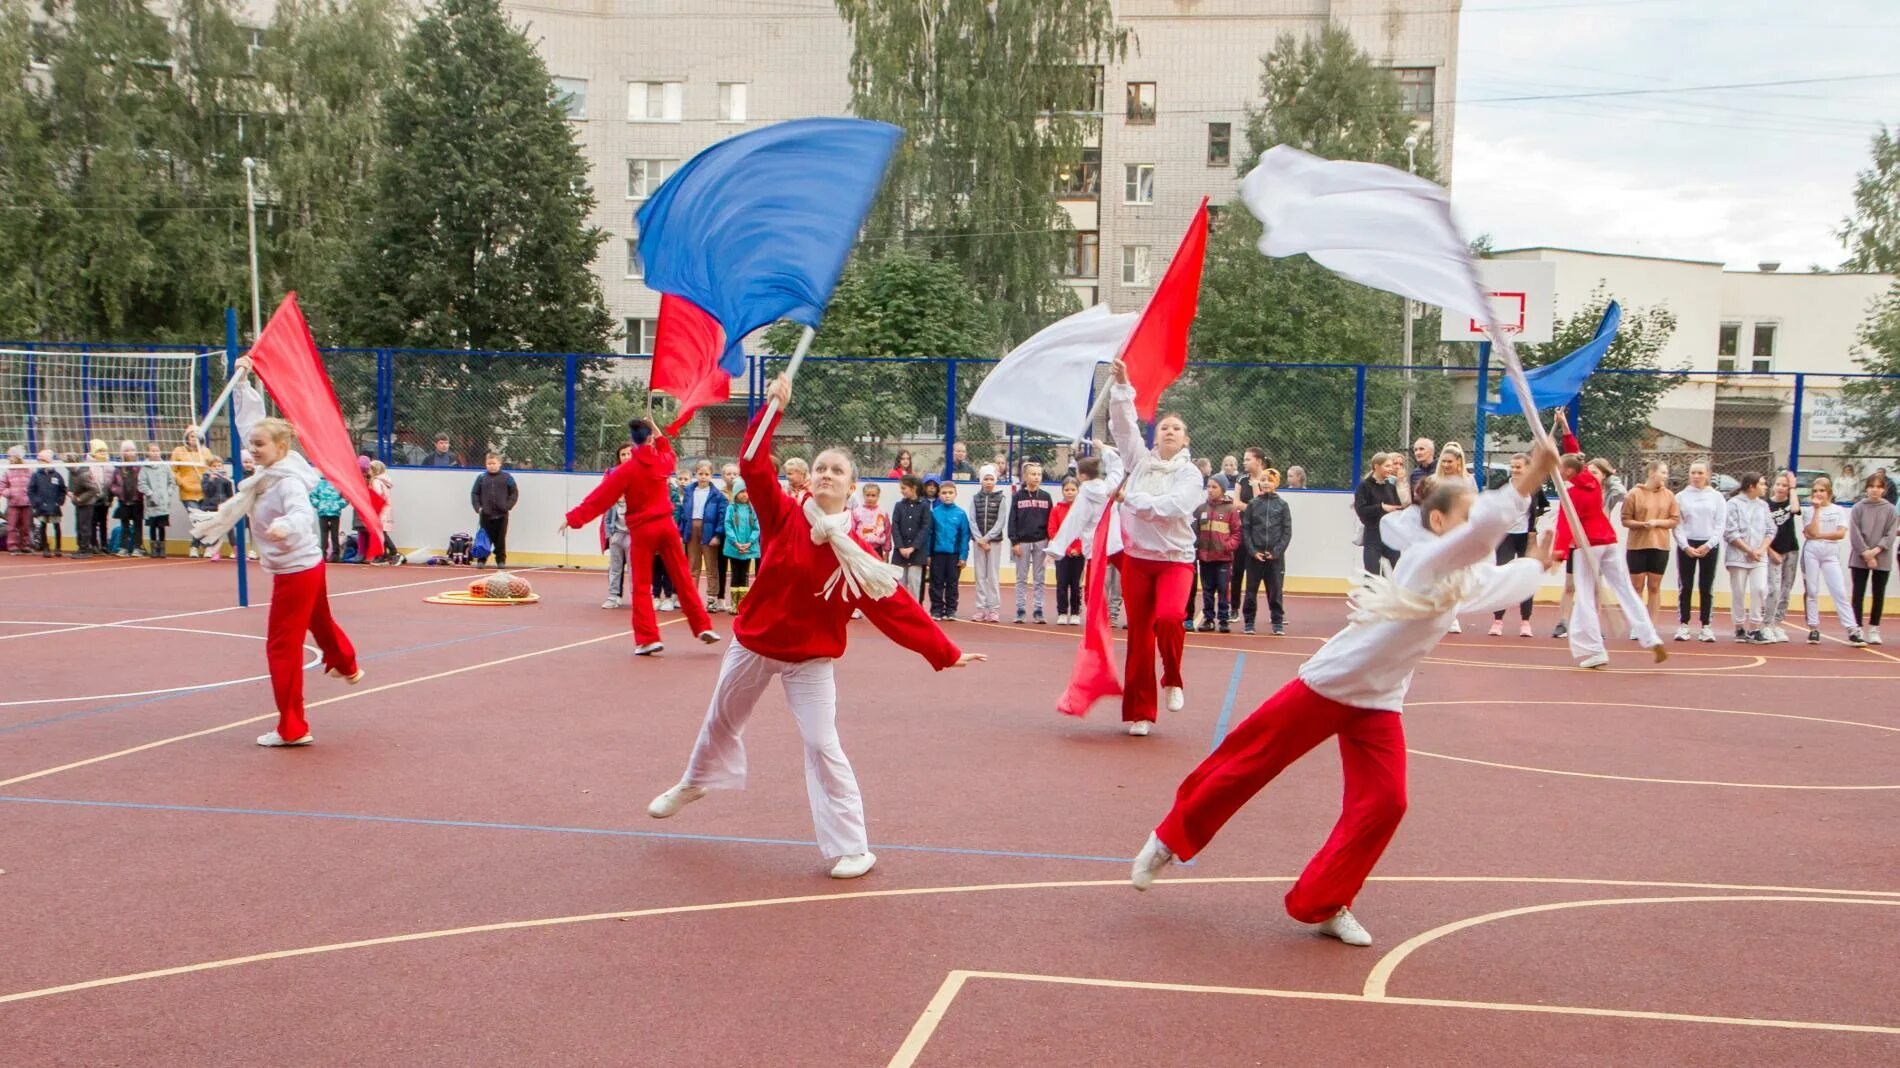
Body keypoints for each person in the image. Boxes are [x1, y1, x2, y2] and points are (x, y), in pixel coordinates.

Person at [1131, 438, 1564, 946]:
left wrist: (1533, 565)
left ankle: (1324, 900)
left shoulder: (1458, 573)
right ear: (1442, 522)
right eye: (1467, 512)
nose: (1475, 524)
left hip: (1379, 699)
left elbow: (1492, 583)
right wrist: (1528, 480)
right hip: (1331, 682)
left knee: (1386, 802)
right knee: (1246, 762)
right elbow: (1482, 537)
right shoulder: (1428, 560)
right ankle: (1167, 839)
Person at [644, 373, 985, 880]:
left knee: (823, 744)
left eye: (837, 470)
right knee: (721, 720)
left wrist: (945, 651)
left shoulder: (860, 554)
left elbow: (897, 608)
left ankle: (854, 847)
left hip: (811, 660)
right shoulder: (784, 514)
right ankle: (694, 781)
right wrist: (772, 408)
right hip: (754, 645)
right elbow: (753, 465)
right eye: (820, 467)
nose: (826, 473)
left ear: (851, 486)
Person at [191, 357, 364, 747]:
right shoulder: (266, 474)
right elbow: (248, 421)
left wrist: (285, 527)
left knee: (281, 647)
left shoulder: (286, 481)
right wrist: (241, 381)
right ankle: (347, 662)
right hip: (306, 567)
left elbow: (303, 512)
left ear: (281, 447)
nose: (251, 450)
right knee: (319, 623)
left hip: (296, 570)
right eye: (251, 444)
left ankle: (292, 727)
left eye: (259, 445)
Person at [561, 419, 721, 655]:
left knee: (641, 585)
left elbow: (600, 498)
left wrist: (574, 518)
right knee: (683, 577)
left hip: (642, 530)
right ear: (649, 438)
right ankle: (702, 627)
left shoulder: (625, 470)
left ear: (633, 441)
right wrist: (657, 429)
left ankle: (648, 638)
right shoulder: (661, 462)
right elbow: (668, 451)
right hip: (667, 525)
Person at [1104, 360, 1204, 735]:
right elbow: (1124, 427)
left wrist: (1131, 498)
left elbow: (1172, 509)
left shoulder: (1191, 474)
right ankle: (1141, 713)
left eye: (1177, 429)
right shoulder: (1141, 461)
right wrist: (1122, 386)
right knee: (1139, 637)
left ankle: (1173, 678)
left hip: (1175, 562)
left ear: (1186, 439)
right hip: (1137, 561)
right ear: (1157, 434)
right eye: (1164, 427)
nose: (1170, 432)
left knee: (1169, 618)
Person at [1551, 413, 1663, 668]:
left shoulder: (1572, 493)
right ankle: (1650, 635)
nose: (1557, 471)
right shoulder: (1591, 481)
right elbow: (1575, 454)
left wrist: (1559, 553)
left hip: (1588, 546)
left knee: (1586, 599)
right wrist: (1566, 429)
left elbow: (1565, 525)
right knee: (1624, 589)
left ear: (1568, 471)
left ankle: (1594, 650)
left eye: (1560, 469)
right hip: (1609, 542)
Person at [1049, 448, 1127, 628]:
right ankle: (1143, 616)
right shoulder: (1110, 486)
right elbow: (1117, 467)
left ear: (1082, 476)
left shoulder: (1084, 498)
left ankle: (1096, 621)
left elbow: (1071, 524)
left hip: (1096, 549)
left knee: (1092, 589)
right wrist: (1104, 449)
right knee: (1132, 581)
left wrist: (1056, 548)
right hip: (1116, 545)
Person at [1486, 452, 1551, 638]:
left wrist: (1532, 525)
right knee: (1502, 577)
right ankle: (1497, 620)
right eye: (1512, 467)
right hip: (1505, 537)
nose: (1514, 470)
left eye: (1518, 467)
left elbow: (1541, 507)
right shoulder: (1503, 486)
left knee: (1528, 576)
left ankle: (1525, 621)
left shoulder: (1534, 487)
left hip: (1526, 538)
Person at [1619, 460, 1678, 632]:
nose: (1665, 476)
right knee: (1637, 586)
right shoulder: (1634, 494)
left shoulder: (1669, 496)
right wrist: (1641, 524)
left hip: (1660, 545)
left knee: (1654, 586)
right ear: (1652, 473)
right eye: (1663, 472)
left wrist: (1658, 522)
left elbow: (1674, 520)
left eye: (1666, 473)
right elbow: (1625, 520)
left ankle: (1651, 625)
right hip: (1637, 545)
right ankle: (1637, 624)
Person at [1674, 461, 1726, 642]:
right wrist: (1685, 546)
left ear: (1708, 475)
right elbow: (1677, 524)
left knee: (1706, 586)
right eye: (1693, 473)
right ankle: (1683, 624)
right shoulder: (1680, 496)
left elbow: (1720, 524)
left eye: (1700, 473)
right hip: (1687, 545)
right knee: (1685, 585)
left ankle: (1706, 626)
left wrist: (1709, 544)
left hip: (1709, 545)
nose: (1696, 476)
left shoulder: (1717, 497)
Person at [1801, 477, 1856, 645]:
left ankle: (1852, 628)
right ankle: (1813, 627)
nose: (1818, 494)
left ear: (1829, 493)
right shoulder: (1809, 511)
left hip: (1830, 552)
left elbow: (1840, 533)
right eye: (1815, 491)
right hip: (1812, 551)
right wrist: (1817, 510)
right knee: (1812, 589)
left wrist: (1822, 536)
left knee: (1838, 590)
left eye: (1822, 491)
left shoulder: (1838, 510)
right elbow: (1810, 532)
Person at [1722, 472, 1774, 644]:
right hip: (1738, 557)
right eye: (1762, 484)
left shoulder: (1763, 506)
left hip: (1759, 557)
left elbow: (1770, 530)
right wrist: (1748, 550)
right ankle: (1739, 627)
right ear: (1752, 486)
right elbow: (1730, 532)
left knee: (1760, 589)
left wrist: (1760, 549)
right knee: (1738, 591)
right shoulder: (1733, 504)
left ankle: (1755, 627)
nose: (1765, 487)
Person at [1847, 472, 1897, 646]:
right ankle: (1857, 627)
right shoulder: (1858, 508)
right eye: (1871, 486)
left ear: (1884, 489)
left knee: (1878, 593)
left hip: (1882, 557)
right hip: (1860, 557)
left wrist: (1876, 550)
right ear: (1866, 488)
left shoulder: (1890, 509)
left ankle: (1874, 627)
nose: (1874, 490)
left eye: (1878, 487)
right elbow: (1854, 533)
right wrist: (1866, 553)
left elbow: (1890, 534)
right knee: (1858, 593)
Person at [1240, 468, 1291, 636]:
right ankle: (1249, 622)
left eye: (1270, 480)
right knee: (1251, 590)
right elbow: (1246, 529)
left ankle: (1277, 622)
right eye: (1263, 480)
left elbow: (1286, 531)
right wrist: (1253, 551)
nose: (1266, 483)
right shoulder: (1254, 504)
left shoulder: (1282, 505)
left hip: (1274, 557)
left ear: (1276, 482)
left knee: (1275, 590)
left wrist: (1276, 552)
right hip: (1255, 556)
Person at [675, 460, 729, 611]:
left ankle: (712, 598)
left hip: (708, 532)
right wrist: (681, 532)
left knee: (711, 566)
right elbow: (683, 514)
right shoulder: (689, 492)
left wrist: (717, 535)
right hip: (691, 530)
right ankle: (691, 599)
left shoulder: (717, 495)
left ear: (711, 475)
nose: (703, 477)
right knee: (693, 566)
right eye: (700, 474)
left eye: (706, 474)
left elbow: (721, 516)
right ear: (695, 474)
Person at [1192, 478, 1242, 633]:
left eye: (1214, 487)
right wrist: (1198, 547)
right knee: (1207, 590)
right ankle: (1208, 619)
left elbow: (1237, 533)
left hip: (1223, 559)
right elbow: (1195, 531)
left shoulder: (1230, 510)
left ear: (1223, 489)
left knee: (1222, 588)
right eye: (1208, 486)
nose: (1210, 489)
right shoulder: (1201, 509)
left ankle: (1223, 619)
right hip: (1205, 557)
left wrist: (1227, 547)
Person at [1009, 461, 1054, 624]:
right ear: (1025, 476)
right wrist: (1014, 541)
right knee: (1021, 577)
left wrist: (1050, 541)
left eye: (1039, 474)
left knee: (1039, 577)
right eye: (1033, 474)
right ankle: (1020, 610)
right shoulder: (1018, 496)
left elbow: (1051, 521)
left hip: (1041, 542)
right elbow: (1012, 520)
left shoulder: (1046, 496)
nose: (1036, 477)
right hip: (1022, 542)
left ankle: (1038, 610)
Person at [1763, 471, 1802, 644]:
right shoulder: (1766, 505)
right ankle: (1767, 624)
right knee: (1774, 589)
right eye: (1778, 484)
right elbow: (1762, 531)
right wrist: (1771, 552)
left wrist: (1793, 487)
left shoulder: (1790, 502)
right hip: (1773, 551)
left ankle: (1777, 623)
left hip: (1791, 550)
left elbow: (1794, 509)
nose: (1781, 488)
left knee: (1786, 590)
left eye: (1784, 485)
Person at [968, 464, 1009, 622]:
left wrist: (987, 538)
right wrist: (979, 539)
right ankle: (980, 608)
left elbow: (1000, 521)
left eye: (991, 479)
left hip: (994, 543)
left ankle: (994, 609)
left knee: (992, 575)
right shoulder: (975, 498)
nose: (989, 482)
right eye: (986, 478)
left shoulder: (1001, 498)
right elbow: (972, 520)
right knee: (980, 576)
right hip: (978, 543)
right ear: (981, 480)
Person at [927, 480, 971, 620]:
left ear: (955, 494)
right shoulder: (934, 513)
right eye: (944, 493)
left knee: (952, 583)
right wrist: (928, 554)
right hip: (937, 554)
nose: (947, 496)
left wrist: (963, 556)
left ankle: (951, 609)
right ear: (939, 494)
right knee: (936, 582)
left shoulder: (961, 514)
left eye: (950, 493)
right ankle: (936, 609)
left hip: (954, 555)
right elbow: (930, 534)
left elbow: (965, 536)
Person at [1354, 453, 1404, 576]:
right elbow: (1361, 510)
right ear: (1376, 466)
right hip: (1373, 535)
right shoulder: (1364, 486)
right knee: (1372, 575)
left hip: (1391, 535)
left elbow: (1398, 508)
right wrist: (1381, 507)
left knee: (1393, 575)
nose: (1391, 469)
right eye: (1387, 466)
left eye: (1391, 466)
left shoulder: (1391, 487)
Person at [600, 443, 634, 609]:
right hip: (617, 534)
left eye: (629, 454)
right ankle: (613, 596)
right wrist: (609, 534)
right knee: (615, 567)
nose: (626, 457)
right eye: (623, 454)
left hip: (633, 534)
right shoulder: (612, 474)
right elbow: (606, 510)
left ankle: (638, 598)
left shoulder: (641, 475)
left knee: (635, 570)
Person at [470, 452, 518, 568]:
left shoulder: (507, 477)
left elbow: (514, 492)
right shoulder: (481, 478)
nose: (491, 465)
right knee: (484, 539)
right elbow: (474, 493)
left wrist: (508, 505)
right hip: (485, 515)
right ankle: (481, 560)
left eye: (493, 463)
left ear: (499, 464)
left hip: (501, 515)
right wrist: (478, 508)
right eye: (489, 463)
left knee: (500, 539)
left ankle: (500, 560)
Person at [169, 428, 212, 557]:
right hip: (187, 492)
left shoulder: (206, 452)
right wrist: (182, 483)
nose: (194, 439)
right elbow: (173, 470)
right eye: (191, 436)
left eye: (196, 436)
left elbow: (211, 469)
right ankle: (202, 546)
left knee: (204, 520)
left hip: (204, 492)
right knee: (197, 519)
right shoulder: (179, 451)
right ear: (187, 437)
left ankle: (198, 546)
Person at [890, 474, 932, 600]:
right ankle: (900, 611)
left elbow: (925, 528)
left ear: (913, 488)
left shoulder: (924, 506)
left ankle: (915, 613)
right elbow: (895, 527)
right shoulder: (898, 506)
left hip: (917, 553)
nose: (901, 491)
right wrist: (901, 547)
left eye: (904, 488)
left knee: (915, 583)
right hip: (900, 552)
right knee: (900, 584)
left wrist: (913, 547)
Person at [1049, 477, 1085, 625]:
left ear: (1078, 491)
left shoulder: (1084, 510)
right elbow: (1052, 531)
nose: (1070, 493)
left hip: (1079, 553)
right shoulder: (1056, 510)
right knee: (1062, 582)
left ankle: (1075, 612)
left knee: (1076, 584)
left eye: (1073, 490)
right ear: (1062, 491)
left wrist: (1079, 548)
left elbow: (1088, 531)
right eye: (1067, 490)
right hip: (1062, 553)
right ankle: (1062, 612)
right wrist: (1067, 548)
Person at [723, 477, 760, 605]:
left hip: (748, 548)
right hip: (734, 548)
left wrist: (750, 542)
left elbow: (756, 528)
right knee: (735, 573)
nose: (745, 494)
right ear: (736, 493)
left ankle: (742, 604)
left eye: (747, 491)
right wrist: (735, 542)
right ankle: (734, 604)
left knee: (744, 574)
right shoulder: (731, 508)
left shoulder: (752, 509)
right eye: (742, 491)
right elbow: (728, 526)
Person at [139, 442, 178, 558]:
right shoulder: (145, 468)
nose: (155, 453)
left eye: (157, 450)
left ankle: (162, 548)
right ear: (148, 453)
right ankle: (154, 548)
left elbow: (172, 481)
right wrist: (150, 493)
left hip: (163, 502)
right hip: (152, 502)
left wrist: (169, 492)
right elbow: (141, 483)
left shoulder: (165, 466)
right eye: (153, 451)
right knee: (152, 526)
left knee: (162, 526)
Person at [67, 451, 105, 559]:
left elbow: (94, 489)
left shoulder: (84, 474)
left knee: (85, 526)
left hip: (87, 503)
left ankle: (85, 548)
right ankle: (81, 547)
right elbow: (72, 486)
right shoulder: (72, 473)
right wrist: (70, 493)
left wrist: (80, 498)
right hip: (78, 503)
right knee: (78, 526)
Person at [28, 454, 66, 557]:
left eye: (43, 461)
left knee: (56, 526)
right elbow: (31, 490)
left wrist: (60, 501)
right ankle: (45, 548)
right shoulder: (36, 475)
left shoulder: (56, 475)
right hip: (41, 506)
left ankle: (58, 548)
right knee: (42, 526)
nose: (41, 463)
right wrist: (36, 502)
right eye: (39, 461)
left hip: (54, 505)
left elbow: (63, 489)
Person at [111, 441, 145, 556]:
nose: (130, 453)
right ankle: (123, 547)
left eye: (132, 450)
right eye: (127, 450)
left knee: (138, 525)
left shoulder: (139, 468)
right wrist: (118, 491)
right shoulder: (119, 469)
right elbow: (113, 485)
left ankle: (137, 547)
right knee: (124, 525)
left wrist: (141, 491)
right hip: (124, 500)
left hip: (137, 500)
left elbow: (143, 482)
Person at [198, 456, 234, 561]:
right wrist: (210, 480)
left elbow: (229, 494)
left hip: (223, 506)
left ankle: (236, 550)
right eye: (214, 466)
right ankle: (216, 552)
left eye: (219, 466)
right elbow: (207, 493)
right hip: (211, 506)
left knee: (229, 529)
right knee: (215, 530)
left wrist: (228, 482)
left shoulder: (224, 478)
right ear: (210, 468)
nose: (217, 468)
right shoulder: (206, 477)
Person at [367, 461, 398, 564]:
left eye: (370, 469)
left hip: (380, 509)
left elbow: (377, 495)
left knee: (381, 533)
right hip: (386, 508)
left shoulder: (376, 481)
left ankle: (393, 551)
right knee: (382, 532)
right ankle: (383, 554)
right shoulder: (384, 481)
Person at [311, 476, 347, 563]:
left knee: (334, 535)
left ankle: (335, 555)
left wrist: (338, 505)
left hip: (333, 513)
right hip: (324, 512)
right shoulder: (321, 484)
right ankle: (324, 554)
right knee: (324, 534)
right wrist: (319, 505)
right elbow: (312, 495)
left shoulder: (338, 484)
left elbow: (346, 496)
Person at [850, 482, 890, 561]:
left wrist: (887, 551)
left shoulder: (883, 513)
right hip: (861, 548)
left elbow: (888, 532)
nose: (870, 498)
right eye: (867, 495)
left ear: (878, 496)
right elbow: (852, 531)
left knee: (876, 571)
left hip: (877, 549)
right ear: (863, 496)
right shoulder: (856, 512)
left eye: (873, 495)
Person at [3, 447, 30, 554]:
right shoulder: (8, 472)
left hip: (26, 502)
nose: (9, 458)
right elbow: (2, 486)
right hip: (13, 503)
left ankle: (25, 545)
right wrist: (9, 493)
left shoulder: (28, 470)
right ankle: (12, 545)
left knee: (26, 526)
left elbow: (32, 485)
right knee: (12, 526)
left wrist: (30, 496)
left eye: (10, 456)